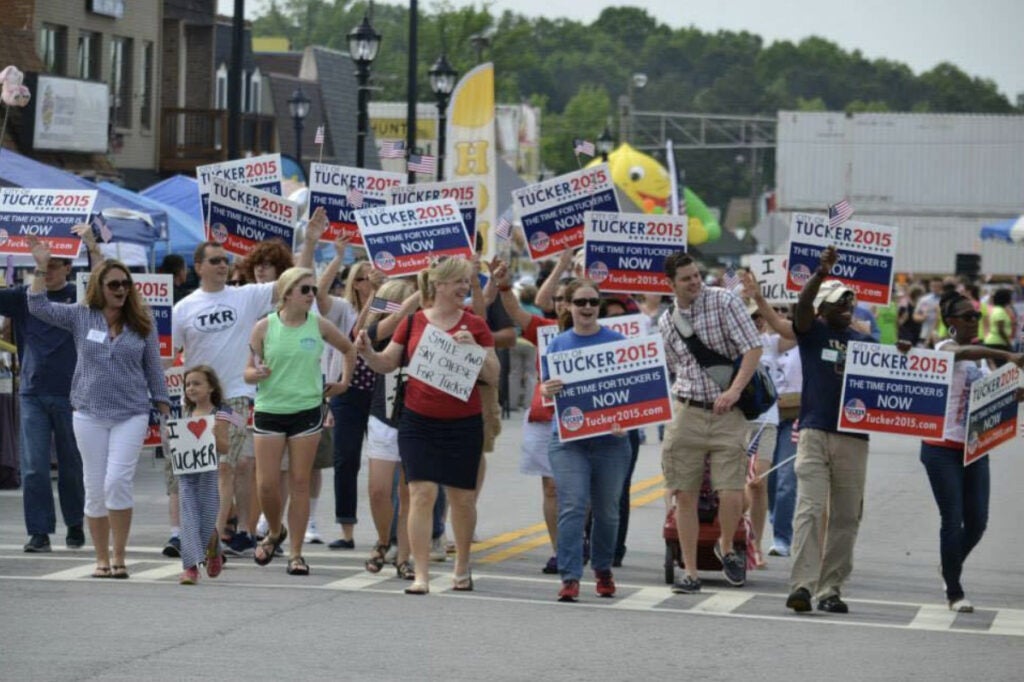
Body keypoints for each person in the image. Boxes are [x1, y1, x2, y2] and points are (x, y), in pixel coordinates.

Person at [172, 213, 319, 558]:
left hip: (236, 397)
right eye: (215, 260)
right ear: (198, 267)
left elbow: (294, 281)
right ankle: (192, 534)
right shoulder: (183, 308)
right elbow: (170, 357)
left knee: (232, 465)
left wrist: (310, 242)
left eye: (226, 260)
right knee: (194, 471)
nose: (223, 265)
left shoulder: (246, 296)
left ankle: (232, 535)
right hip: (195, 400)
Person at [355, 256, 499, 594]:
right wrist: (366, 354)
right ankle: (420, 573)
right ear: (440, 285)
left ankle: (462, 565)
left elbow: (493, 376)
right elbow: (387, 362)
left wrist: (474, 351)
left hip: (463, 422)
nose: (465, 287)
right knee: (421, 493)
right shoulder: (413, 322)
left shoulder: (475, 324)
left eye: (467, 281)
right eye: (460, 282)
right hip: (418, 419)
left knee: (462, 499)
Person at [27, 246, 170, 579]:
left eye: (125, 284)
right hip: (88, 412)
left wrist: (164, 406)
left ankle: (120, 556)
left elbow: (153, 369)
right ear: (99, 288)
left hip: (131, 412)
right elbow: (37, 306)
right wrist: (40, 268)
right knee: (94, 486)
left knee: (117, 481)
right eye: (114, 285)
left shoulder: (142, 321)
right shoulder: (81, 315)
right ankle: (101, 558)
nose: (121, 290)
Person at [659, 251, 762, 594]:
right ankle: (689, 571)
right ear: (670, 284)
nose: (694, 282)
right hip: (688, 408)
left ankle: (728, 547)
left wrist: (734, 391)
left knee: (730, 488)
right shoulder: (667, 321)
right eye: (686, 278)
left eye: (696, 275)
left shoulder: (724, 302)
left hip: (727, 411)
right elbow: (674, 367)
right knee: (683, 493)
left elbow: (753, 348)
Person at [245, 267, 355, 575]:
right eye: (305, 290)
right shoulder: (264, 327)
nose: (312, 295)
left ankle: (295, 552)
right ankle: (274, 531)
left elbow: (349, 349)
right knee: (266, 485)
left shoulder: (318, 324)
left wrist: (343, 382)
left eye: (314, 290)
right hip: (269, 409)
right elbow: (247, 371)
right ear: (287, 292)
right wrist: (257, 373)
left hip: (307, 409)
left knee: (300, 482)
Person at [920, 291, 1024, 612]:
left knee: (977, 522)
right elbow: (960, 352)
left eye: (977, 315)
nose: (974, 321)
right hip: (940, 448)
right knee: (952, 519)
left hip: (975, 447)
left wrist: (1015, 395)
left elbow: (991, 397)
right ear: (951, 322)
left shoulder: (979, 359)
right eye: (968, 317)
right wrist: (1005, 355)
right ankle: (954, 590)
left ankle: (949, 563)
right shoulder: (944, 348)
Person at [785, 246, 875, 614]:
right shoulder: (812, 332)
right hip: (815, 432)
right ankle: (802, 586)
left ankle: (831, 588)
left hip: (853, 438)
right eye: (838, 302)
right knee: (810, 508)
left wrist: (900, 355)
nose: (847, 307)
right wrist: (820, 275)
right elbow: (800, 310)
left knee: (846, 516)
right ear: (822, 308)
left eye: (850, 302)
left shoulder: (866, 344)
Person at [540, 279, 633, 602]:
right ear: (569, 306)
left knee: (607, 510)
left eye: (594, 302)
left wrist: (627, 420)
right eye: (581, 302)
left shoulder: (618, 342)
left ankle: (603, 568)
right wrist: (544, 390)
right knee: (573, 505)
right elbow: (545, 391)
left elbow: (633, 390)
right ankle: (570, 576)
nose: (588, 308)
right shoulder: (558, 345)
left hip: (610, 441)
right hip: (569, 440)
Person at [0, 229, 89, 553]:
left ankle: (75, 524)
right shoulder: (24, 296)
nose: (48, 269)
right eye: (44, 265)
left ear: (68, 268)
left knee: (71, 464)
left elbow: (106, 280)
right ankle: (38, 531)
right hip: (33, 394)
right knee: (34, 466)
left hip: (71, 393)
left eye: (54, 264)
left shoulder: (79, 295)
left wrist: (92, 243)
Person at [493, 250, 571, 574]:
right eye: (563, 299)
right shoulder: (544, 327)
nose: (569, 305)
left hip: (585, 420)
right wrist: (503, 286)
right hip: (545, 418)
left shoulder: (598, 333)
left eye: (576, 300)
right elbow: (514, 309)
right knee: (551, 487)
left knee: (580, 490)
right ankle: (559, 551)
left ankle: (579, 538)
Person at [316, 252, 382, 549]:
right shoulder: (342, 309)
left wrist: (383, 293)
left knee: (387, 460)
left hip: (381, 390)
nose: (373, 280)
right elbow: (320, 295)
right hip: (348, 390)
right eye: (367, 276)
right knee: (346, 459)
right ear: (356, 283)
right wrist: (338, 255)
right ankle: (346, 530)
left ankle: (390, 529)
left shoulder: (389, 303)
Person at [360, 278, 419, 578]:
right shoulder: (381, 332)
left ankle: (404, 557)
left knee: (408, 492)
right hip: (383, 415)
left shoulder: (422, 326)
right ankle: (384, 539)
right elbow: (390, 321)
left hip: (415, 417)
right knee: (378, 491)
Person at [176, 365, 233, 585]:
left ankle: (214, 549)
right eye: (188, 384)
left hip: (208, 474)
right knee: (189, 517)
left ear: (210, 387)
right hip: (187, 474)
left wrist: (215, 435)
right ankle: (190, 568)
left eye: (197, 383)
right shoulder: (185, 413)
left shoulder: (222, 412)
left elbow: (226, 447)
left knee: (207, 520)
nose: (191, 388)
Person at [982, 288, 1016, 366]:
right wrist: (1008, 343)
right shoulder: (999, 311)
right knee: (1001, 367)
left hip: (996, 342)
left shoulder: (997, 309)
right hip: (997, 343)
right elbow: (1000, 330)